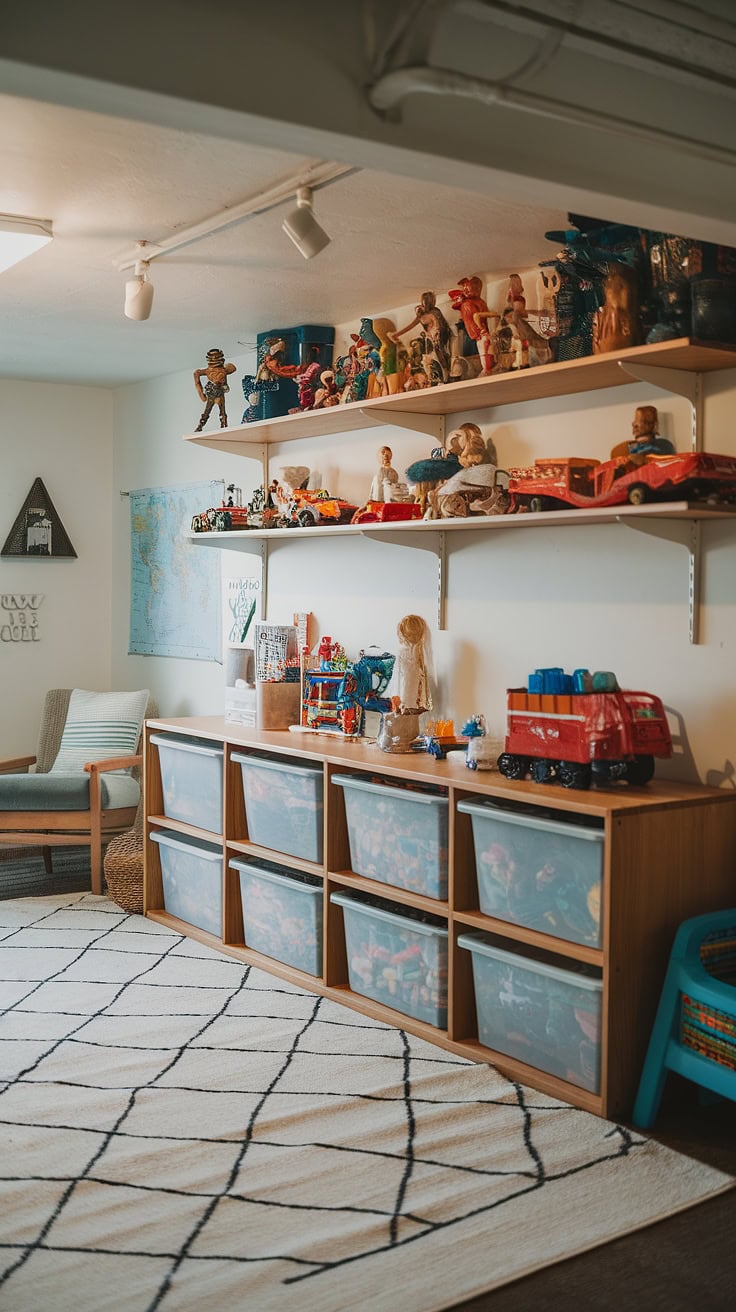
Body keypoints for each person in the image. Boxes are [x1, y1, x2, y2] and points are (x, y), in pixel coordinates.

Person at [390, 291, 453, 383]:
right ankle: (436, 377)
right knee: (429, 358)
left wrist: (437, 335)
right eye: (424, 301)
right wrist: (397, 334)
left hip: (438, 336)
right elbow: (410, 326)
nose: (426, 303)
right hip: (430, 338)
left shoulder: (435, 312)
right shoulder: (421, 314)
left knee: (440, 354)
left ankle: (446, 375)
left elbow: (440, 325)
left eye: (428, 300)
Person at [194, 348, 236, 431]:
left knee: (221, 411)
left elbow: (232, 368)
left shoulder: (222, 370)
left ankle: (223, 426)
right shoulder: (210, 371)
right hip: (212, 392)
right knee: (208, 411)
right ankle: (200, 427)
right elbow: (196, 373)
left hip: (219, 391)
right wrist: (200, 392)